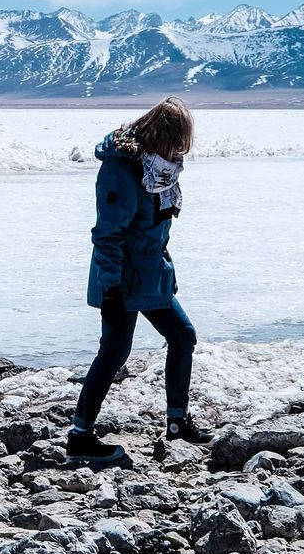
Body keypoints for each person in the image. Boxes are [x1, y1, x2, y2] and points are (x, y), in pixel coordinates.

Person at [67, 96, 210, 466]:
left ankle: (177, 422)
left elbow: (157, 230)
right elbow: (108, 234)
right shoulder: (123, 171)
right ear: (162, 135)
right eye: (177, 142)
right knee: (113, 353)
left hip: (151, 277)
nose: (181, 152)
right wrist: (111, 287)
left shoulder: (159, 169)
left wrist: (168, 271)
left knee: (183, 337)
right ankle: (80, 437)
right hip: (123, 282)